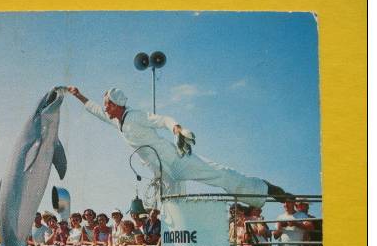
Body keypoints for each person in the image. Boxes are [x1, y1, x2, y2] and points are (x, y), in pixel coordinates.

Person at [67, 86, 289, 207]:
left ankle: (266, 189)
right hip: (163, 172)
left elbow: (162, 120)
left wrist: (177, 129)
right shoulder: (117, 121)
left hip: (176, 160)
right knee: (171, 208)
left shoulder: (135, 116)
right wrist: (79, 96)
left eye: (107, 104)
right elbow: (96, 111)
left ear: (116, 105)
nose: (105, 107)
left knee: (221, 174)